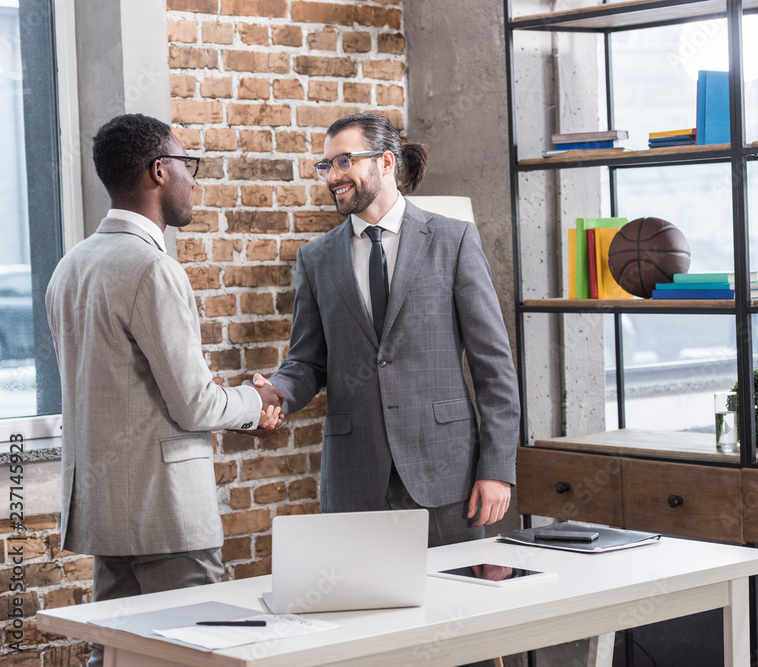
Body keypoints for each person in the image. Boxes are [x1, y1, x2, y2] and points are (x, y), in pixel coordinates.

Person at [45, 113, 283, 667]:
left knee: (121, 658)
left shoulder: (69, 267)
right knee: (196, 657)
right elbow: (194, 402)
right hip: (167, 516)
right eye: (186, 165)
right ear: (159, 171)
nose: (192, 180)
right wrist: (259, 403)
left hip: (106, 514)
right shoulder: (152, 269)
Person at [259, 112, 520, 547]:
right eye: (326, 166)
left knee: (458, 606)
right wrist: (277, 393)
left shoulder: (453, 241)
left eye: (344, 162)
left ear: (384, 162)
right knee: (364, 610)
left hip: (447, 476)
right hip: (355, 478)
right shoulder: (316, 258)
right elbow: (306, 361)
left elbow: (493, 366)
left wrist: (496, 468)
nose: (331, 177)